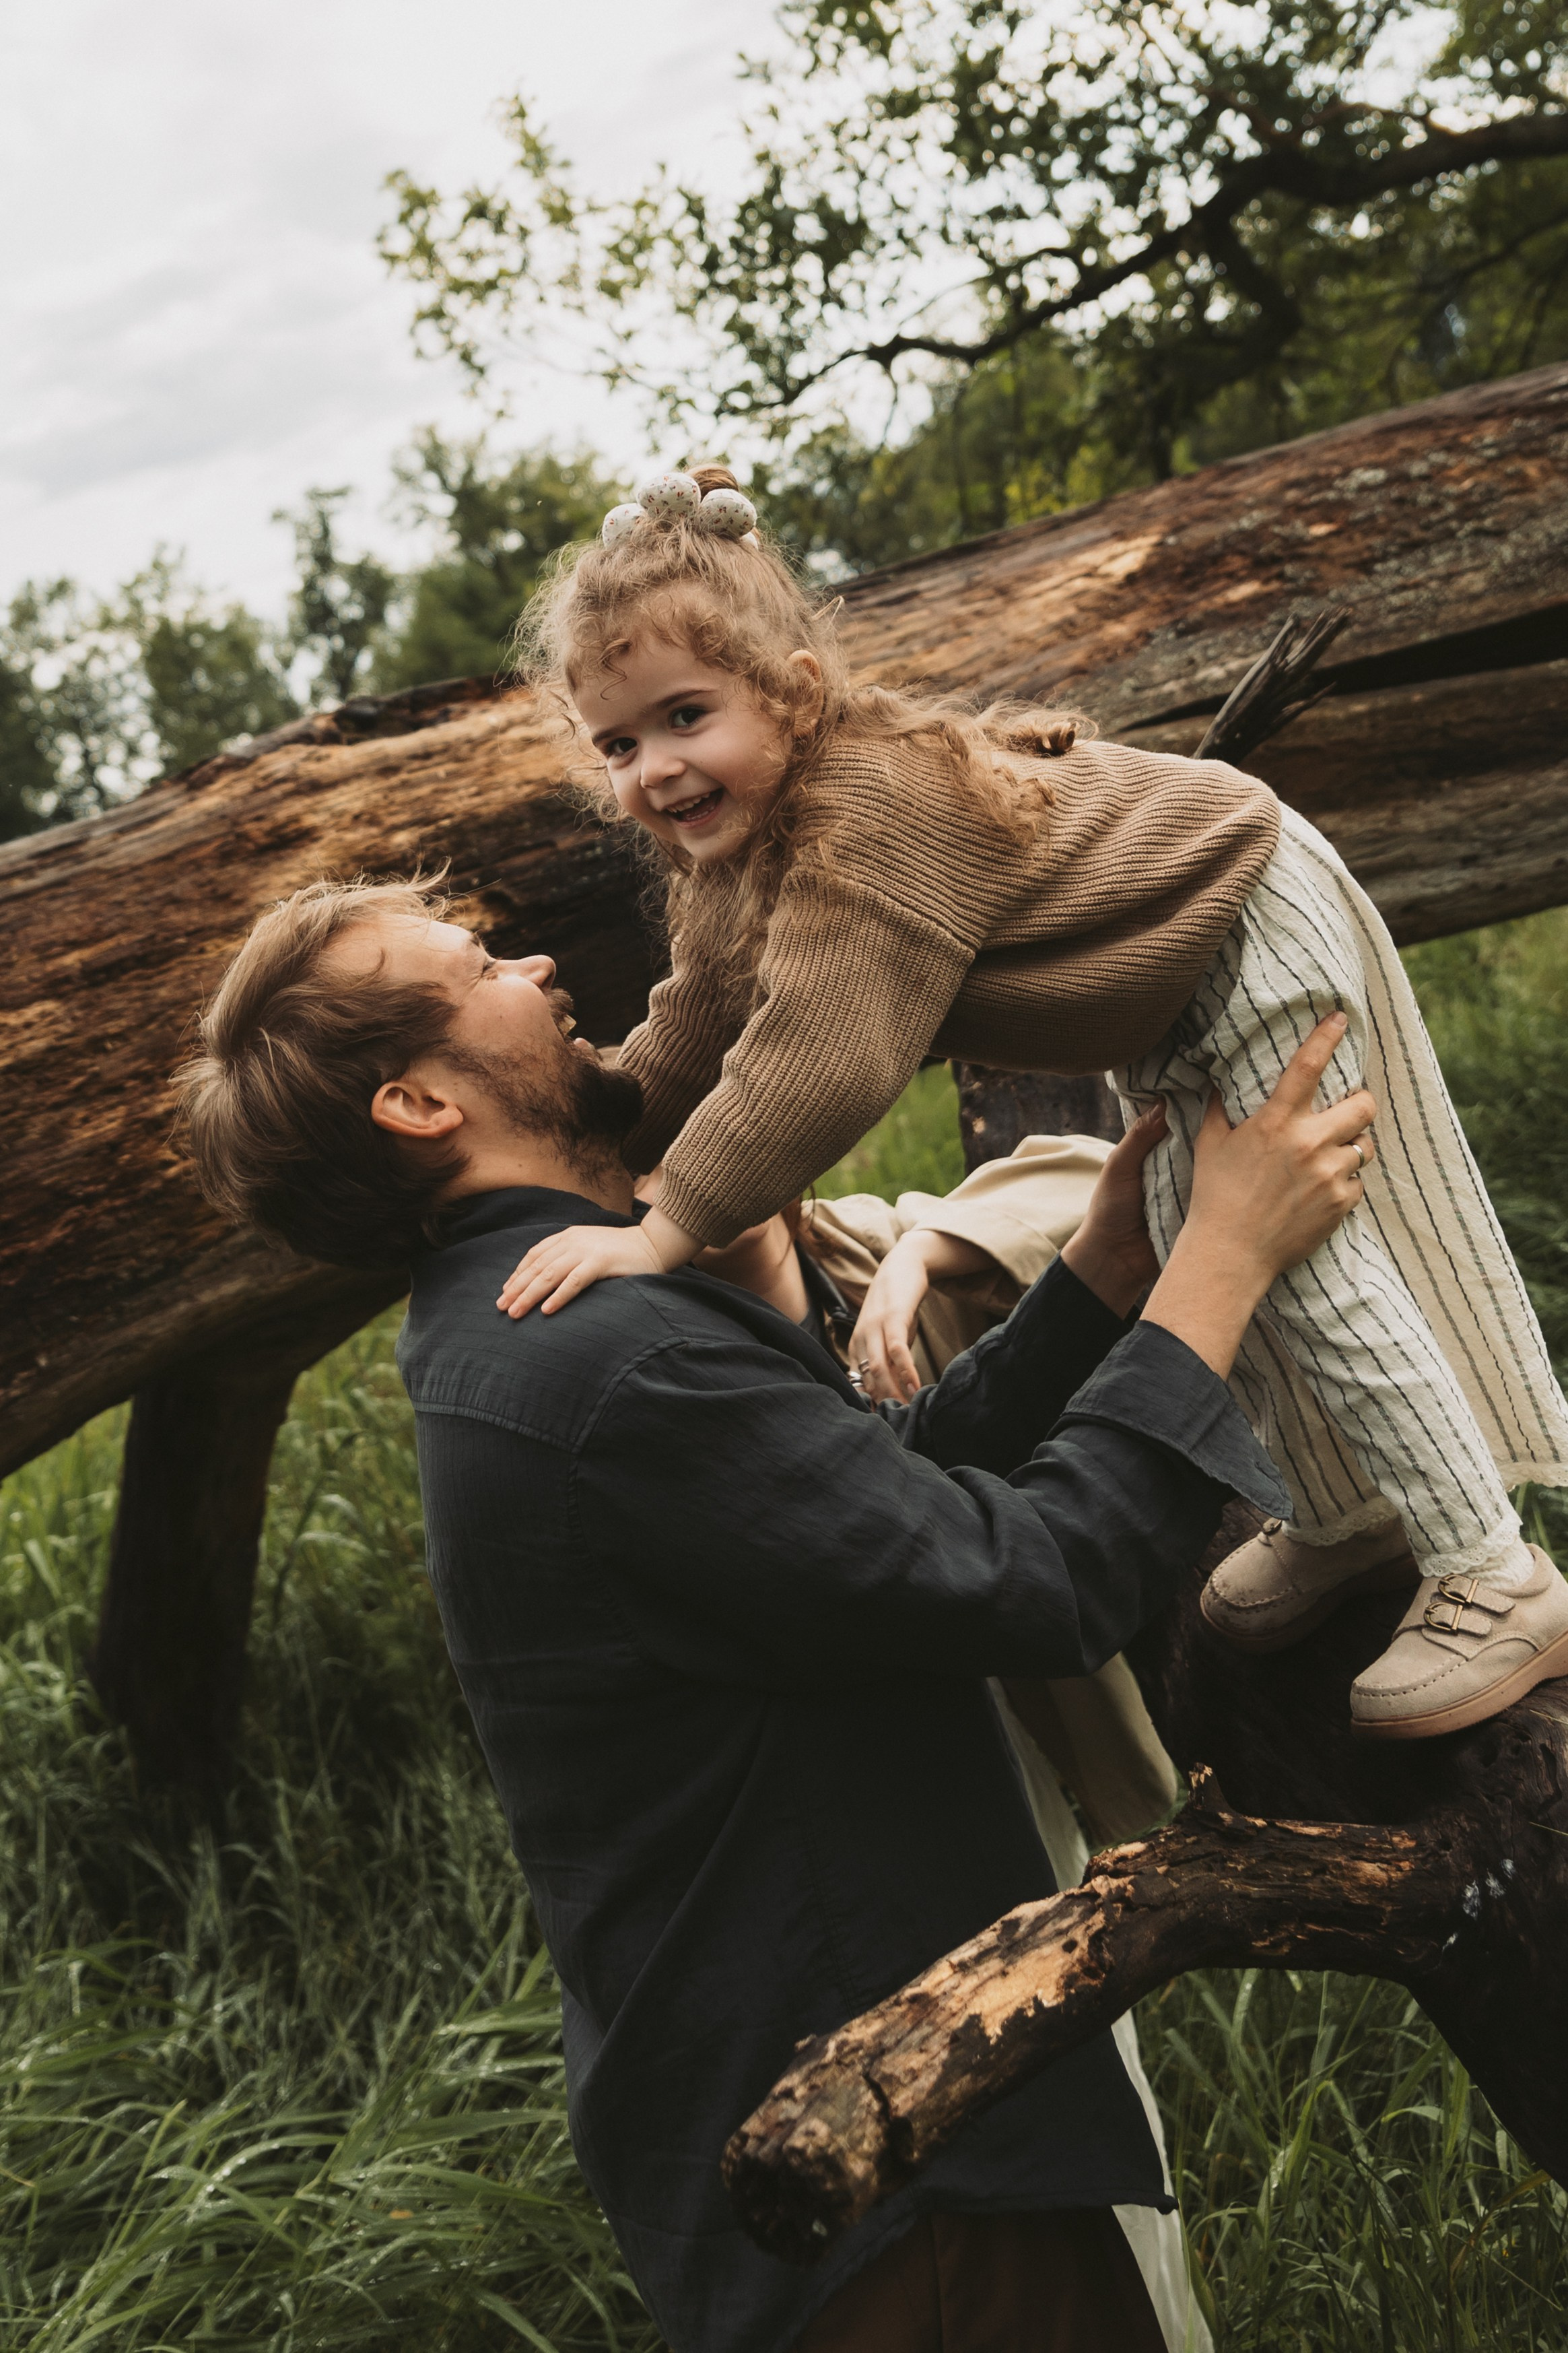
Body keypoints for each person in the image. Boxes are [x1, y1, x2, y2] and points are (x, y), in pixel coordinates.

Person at [176, 876, 1371, 2353]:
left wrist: (1103, 1273)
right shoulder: (600, 1362)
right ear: (419, 1103)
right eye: (479, 965)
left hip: (836, 2114)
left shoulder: (522, 1320)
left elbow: (863, 1497)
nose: (536, 965)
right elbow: (1034, 1582)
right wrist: (1221, 1263)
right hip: (892, 2167)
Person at [494, 464, 1568, 1742]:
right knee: (1185, 1224)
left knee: (1310, 1248)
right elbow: (695, 1026)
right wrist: (585, 1134)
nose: (656, 769)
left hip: (1243, 921)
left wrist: (662, 1227)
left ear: (793, 692)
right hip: (1177, 988)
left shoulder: (860, 811)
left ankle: (1490, 1566)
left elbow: (819, 1062)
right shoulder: (731, 851)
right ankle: (1351, 1513)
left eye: (686, 716)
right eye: (619, 744)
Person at [693, 1145, 1203, 2351]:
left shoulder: (858, 1245)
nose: (716, 1159)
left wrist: (927, 1249)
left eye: (733, 1123)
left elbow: (1092, 1173)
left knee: (1081, 2029)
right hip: (881, 1775)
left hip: (1017, 1728)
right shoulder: (686, 1356)